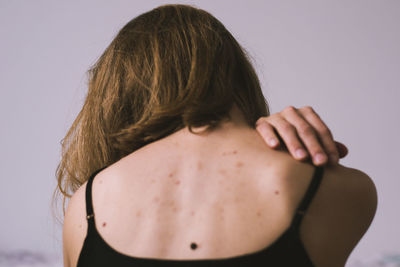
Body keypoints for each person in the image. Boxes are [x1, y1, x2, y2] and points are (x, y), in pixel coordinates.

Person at [57, 4, 377, 267]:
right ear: (239, 78)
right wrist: (312, 159)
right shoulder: (342, 189)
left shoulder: (85, 209)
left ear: (117, 96)